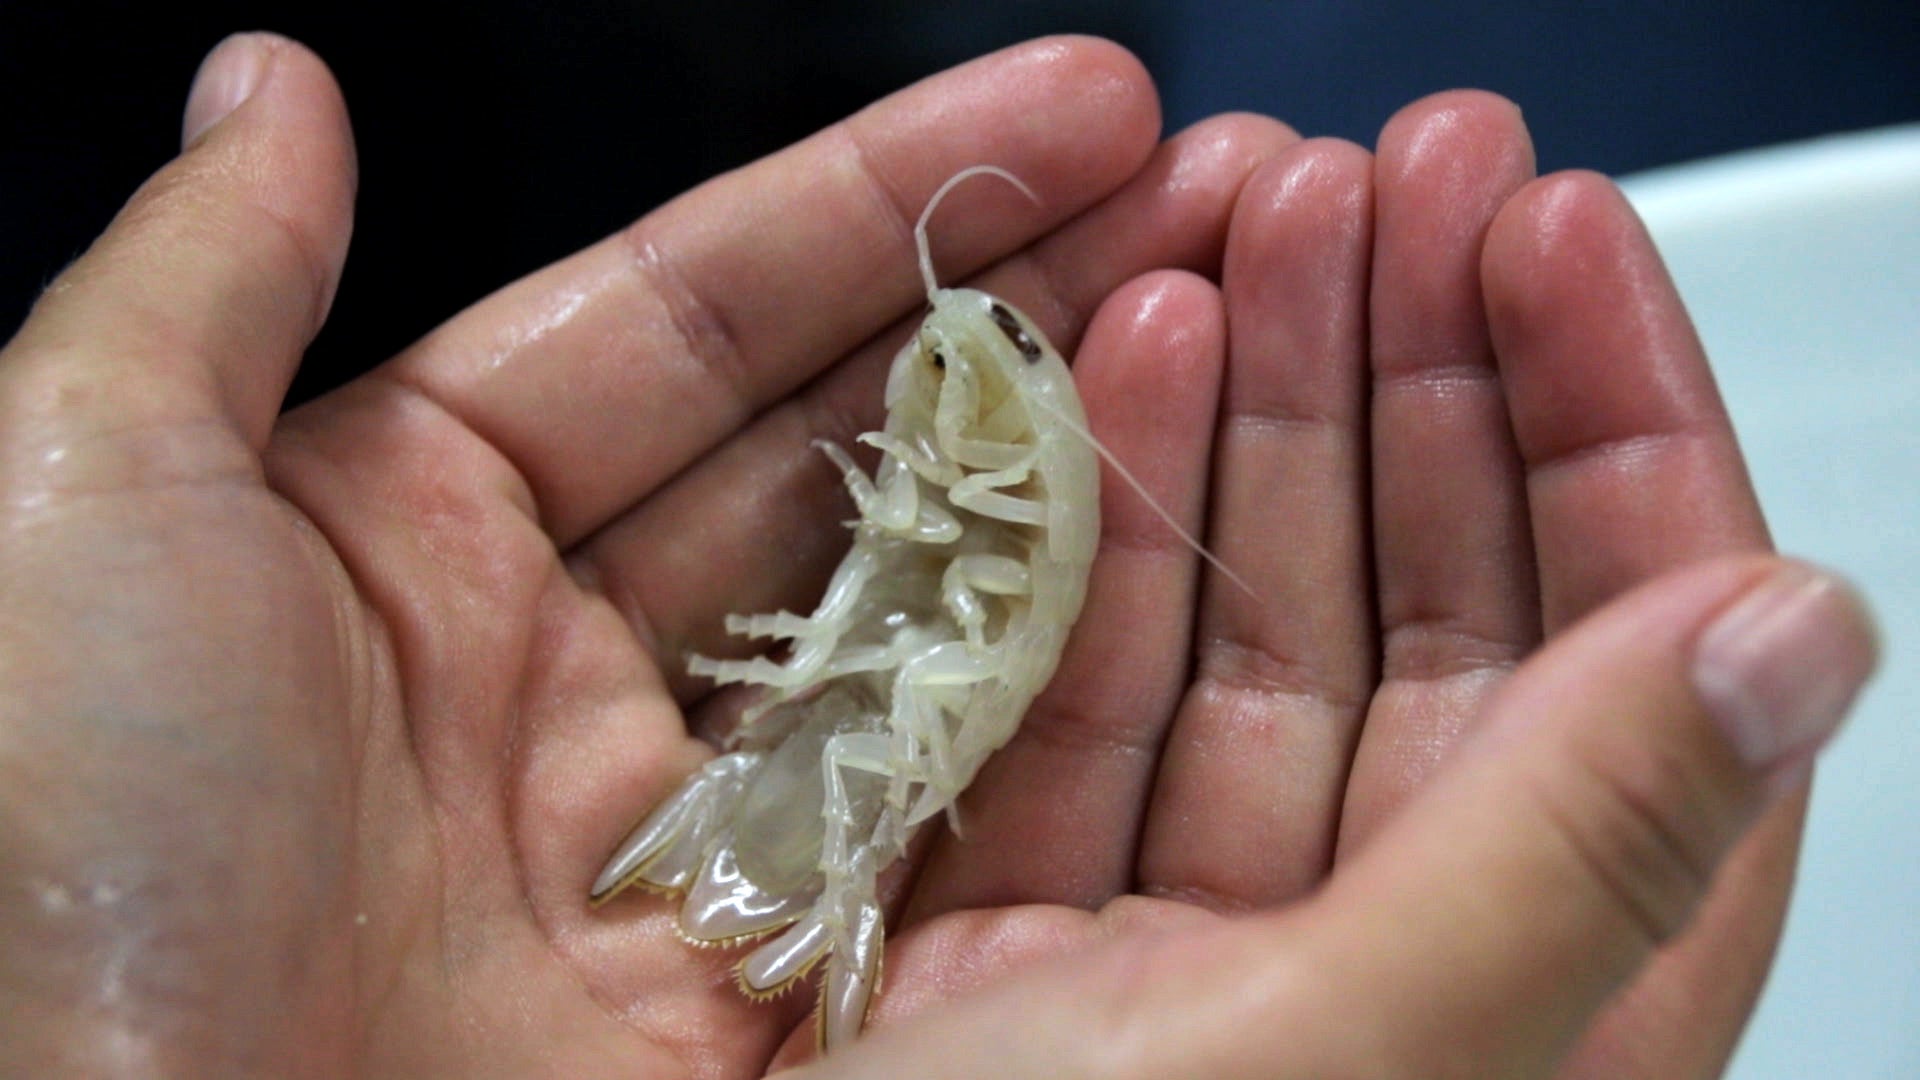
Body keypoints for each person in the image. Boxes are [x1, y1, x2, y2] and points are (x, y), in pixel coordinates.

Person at [0, 31, 1878, 1079]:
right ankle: (789, 870)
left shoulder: (993, 465)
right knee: (860, 683)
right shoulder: (953, 448)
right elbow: (920, 568)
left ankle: (797, 863)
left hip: (911, 669)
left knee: (885, 673)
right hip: (874, 674)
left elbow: (947, 566)